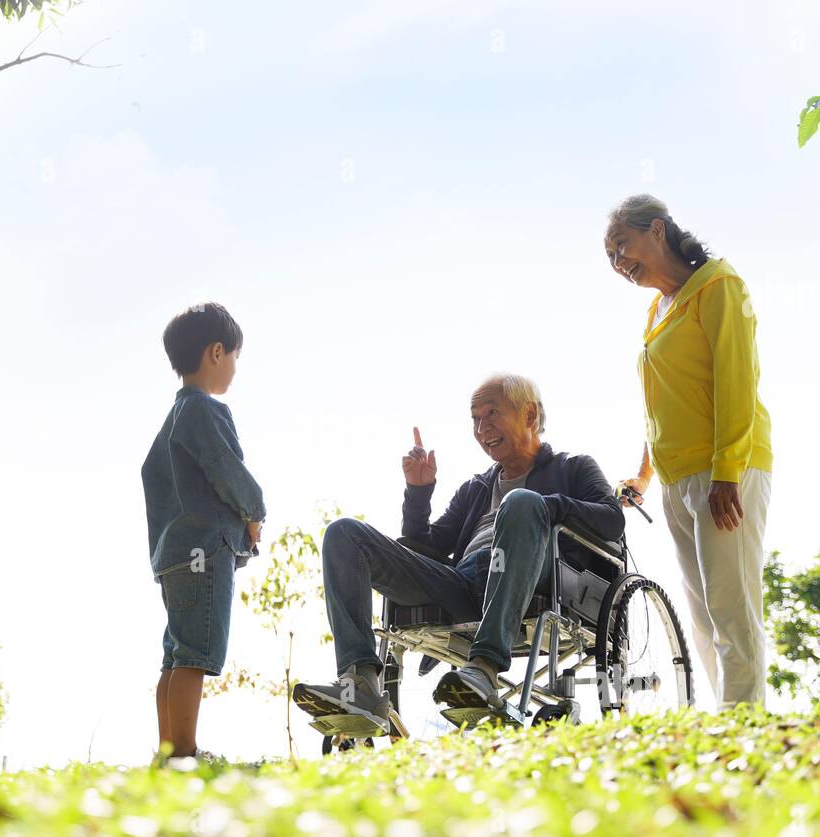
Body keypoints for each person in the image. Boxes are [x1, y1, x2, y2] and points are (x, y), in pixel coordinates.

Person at [292, 373, 623, 731]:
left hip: (537, 575)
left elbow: (611, 520)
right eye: (475, 419)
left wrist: (547, 507)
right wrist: (418, 493)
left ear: (529, 415)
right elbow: (427, 547)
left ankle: (483, 668)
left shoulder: (573, 468)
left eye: (492, 413)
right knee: (344, 535)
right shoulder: (476, 488)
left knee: (522, 503)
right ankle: (360, 685)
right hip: (464, 584)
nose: (482, 428)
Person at [603, 194, 773, 710]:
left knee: (731, 605)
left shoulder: (719, 284)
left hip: (727, 468)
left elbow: (735, 383)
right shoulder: (658, 310)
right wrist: (644, 475)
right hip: (678, 477)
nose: (618, 262)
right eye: (610, 257)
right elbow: (666, 402)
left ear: (657, 230)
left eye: (621, 245)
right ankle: (730, 716)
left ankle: (746, 720)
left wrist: (726, 473)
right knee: (701, 613)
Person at [141, 302, 265, 762]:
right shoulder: (204, 411)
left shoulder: (172, 420)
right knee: (195, 653)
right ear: (217, 352)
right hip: (202, 550)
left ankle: (168, 750)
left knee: (175, 653)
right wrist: (255, 513)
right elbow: (226, 470)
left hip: (172, 553)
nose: (234, 367)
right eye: (234, 356)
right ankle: (184, 754)